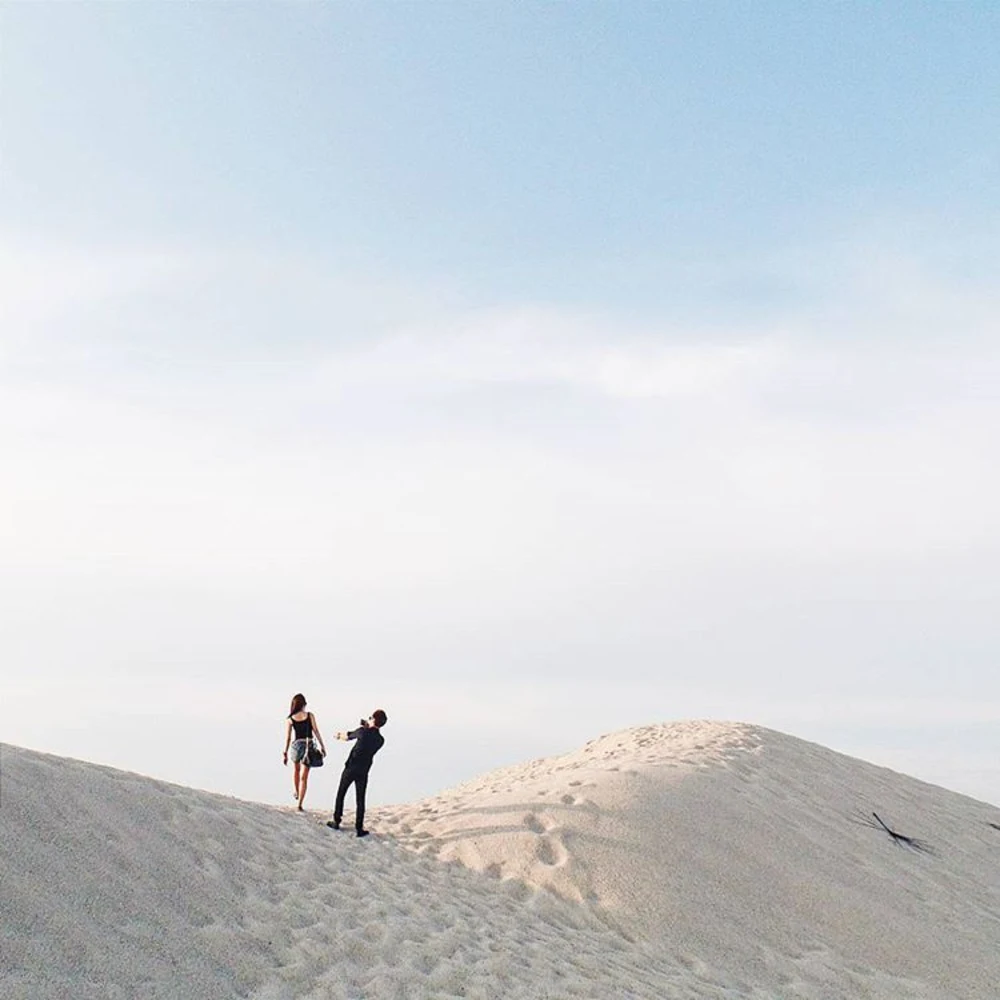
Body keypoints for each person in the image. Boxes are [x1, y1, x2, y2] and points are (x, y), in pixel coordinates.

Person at [326, 709, 387, 837]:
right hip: (364, 770)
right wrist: (368, 727)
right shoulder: (381, 740)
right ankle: (359, 828)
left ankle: (337, 820)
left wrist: (338, 735)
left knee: (341, 793)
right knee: (360, 799)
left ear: (374, 720)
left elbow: (348, 736)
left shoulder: (362, 731)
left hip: (351, 767)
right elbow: (370, 739)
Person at [282, 693, 326, 811]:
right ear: (303, 704)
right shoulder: (310, 715)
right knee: (304, 777)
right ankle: (300, 803)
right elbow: (316, 731)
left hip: (296, 746)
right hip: (308, 745)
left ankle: (296, 791)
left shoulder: (290, 719)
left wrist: (285, 752)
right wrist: (322, 746)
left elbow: (288, 738)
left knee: (296, 770)